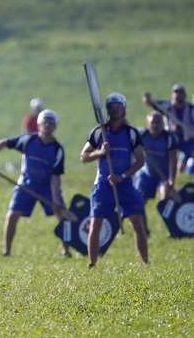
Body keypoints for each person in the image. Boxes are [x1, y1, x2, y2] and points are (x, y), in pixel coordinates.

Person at [0, 109, 70, 257]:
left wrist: (56, 198)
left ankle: (66, 250)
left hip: (47, 187)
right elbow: (5, 143)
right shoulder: (28, 141)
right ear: (39, 124)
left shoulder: (58, 149)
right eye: (45, 122)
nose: (48, 125)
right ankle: (6, 250)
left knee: (63, 216)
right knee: (12, 215)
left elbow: (55, 176)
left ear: (55, 126)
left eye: (51, 123)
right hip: (26, 185)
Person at [80, 93, 148, 267]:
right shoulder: (98, 132)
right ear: (108, 109)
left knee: (138, 225)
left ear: (124, 108)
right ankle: (92, 264)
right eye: (112, 106)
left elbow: (140, 161)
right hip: (103, 184)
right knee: (95, 224)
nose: (116, 108)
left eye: (119, 105)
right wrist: (100, 153)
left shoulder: (132, 133)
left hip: (125, 184)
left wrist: (123, 176)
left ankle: (145, 262)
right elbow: (84, 156)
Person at [134, 112, 179, 235]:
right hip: (146, 175)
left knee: (165, 201)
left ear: (163, 124)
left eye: (158, 122)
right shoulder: (141, 135)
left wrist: (171, 181)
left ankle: (174, 229)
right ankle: (145, 232)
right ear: (148, 124)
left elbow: (173, 160)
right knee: (138, 203)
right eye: (153, 122)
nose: (155, 125)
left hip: (163, 176)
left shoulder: (169, 138)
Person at [143, 84, 194, 173]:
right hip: (171, 138)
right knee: (170, 156)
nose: (178, 95)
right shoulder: (167, 106)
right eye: (176, 92)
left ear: (185, 95)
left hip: (188, 139)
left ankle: (184, 170)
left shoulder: (190, 109)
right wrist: (147, 98)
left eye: (180, 93)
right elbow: (151, 103)